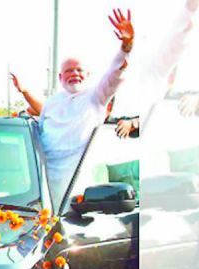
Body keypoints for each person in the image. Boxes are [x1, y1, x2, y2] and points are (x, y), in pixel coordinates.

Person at [14, 9, 135, 205]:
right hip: (40, 188)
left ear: (87, 75)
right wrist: (25, 91)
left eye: (79, 70)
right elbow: (40, 120)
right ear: (60, 78)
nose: (75, 74)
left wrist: (126, 46)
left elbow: (114, 74)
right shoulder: (53, 103)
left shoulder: (96, 96)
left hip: (80, 191)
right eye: (69, 71)